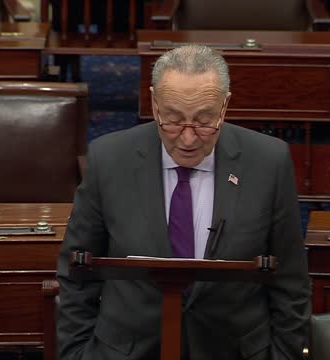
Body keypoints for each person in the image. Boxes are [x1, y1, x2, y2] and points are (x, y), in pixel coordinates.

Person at [57, 44, 311, 360]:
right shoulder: (109, 159)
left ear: (224, 106)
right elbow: (78, 272)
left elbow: (290, 281)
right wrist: (76, 353)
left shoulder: (268, 162)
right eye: (174, 120)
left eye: (204, 122)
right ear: (154, 103)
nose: (188, 139)